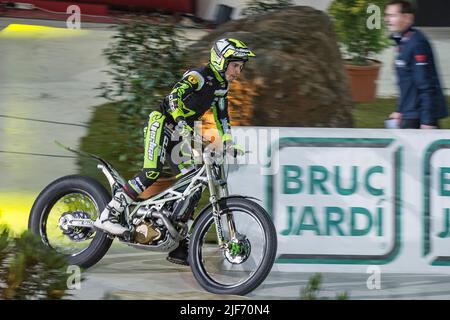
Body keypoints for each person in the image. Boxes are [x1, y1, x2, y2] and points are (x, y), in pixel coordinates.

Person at [93, 38, 255, 265]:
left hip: (181, 132)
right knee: (152, 171)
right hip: (162, 123)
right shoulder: (199, 77)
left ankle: (178, 244)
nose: (238, 71)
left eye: (240, 66)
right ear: (221, 61)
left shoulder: (221, 87)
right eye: (235, 65)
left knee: (193, 182)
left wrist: (227, 142)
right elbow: (173, 97)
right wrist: (180, 120)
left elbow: (222, 116)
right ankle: (109, 214)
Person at [384, 0, 448, 129]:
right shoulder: (403, 41)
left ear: (408, 18)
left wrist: (427, 122)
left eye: (393, 15)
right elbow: (406, 85)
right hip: (408, 114)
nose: (387, 19)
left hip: (418, 118)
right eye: (387, 15)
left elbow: (426, 86)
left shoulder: (417, 44)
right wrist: (400, 110)